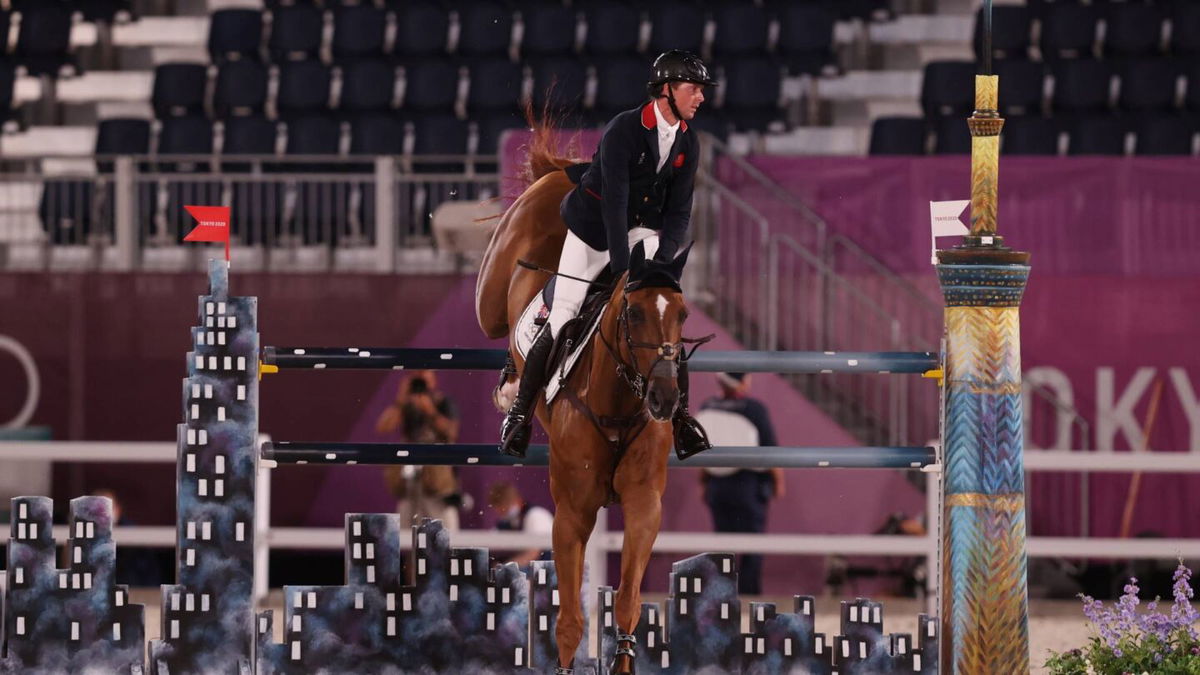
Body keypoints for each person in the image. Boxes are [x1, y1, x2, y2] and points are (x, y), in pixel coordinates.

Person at [500, 49, 717, 459]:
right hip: (593, 229)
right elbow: (613, 206)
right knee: (564, 313)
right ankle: (520, 414)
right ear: (667, 90)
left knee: (663, 311)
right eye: (694, 89)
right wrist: (622, 271)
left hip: (640, 231)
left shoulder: (690, 140)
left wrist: (660, 267)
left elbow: (679, 211)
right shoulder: (624, 130)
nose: (701, 97)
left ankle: (682, 418)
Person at [695, 372, 783, 596]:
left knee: (723, 544)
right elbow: (770, 448)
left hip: (717, 484)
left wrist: (703, 482)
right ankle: (748, 595)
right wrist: (778, 482)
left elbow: (702, 448)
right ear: (744, 381)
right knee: (753, 545)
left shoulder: (707, 406)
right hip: (747, 483)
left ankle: (723, 596)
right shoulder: (753, 409)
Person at [376, 370, 466, 531]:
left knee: (445, 534)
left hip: (437, 482)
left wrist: (430, 411)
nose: (421, 385)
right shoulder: (406, 405)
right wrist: (400, 400)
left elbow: (452, 432)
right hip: (410, 481)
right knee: (406, 533)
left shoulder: (443, 402)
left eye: (425, 379)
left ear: (434, 380)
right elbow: (383, 427)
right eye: (417, 380)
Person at [487, 480, 554, 567]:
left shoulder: (537, 516)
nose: (502, 514)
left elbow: (533, 553)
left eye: (505, 509)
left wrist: (505, 567)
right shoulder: (505, 523)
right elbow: (490, 545)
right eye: (499, 512)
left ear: (516, 500)